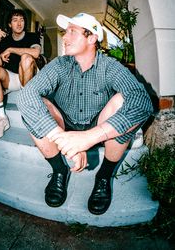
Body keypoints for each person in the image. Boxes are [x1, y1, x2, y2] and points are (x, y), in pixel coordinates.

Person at [16, 12, 153, 215]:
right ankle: (59, 171)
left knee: (123, 101)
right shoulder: (60, 65)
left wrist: (88, 138)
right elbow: (26, 96)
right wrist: (66, 141)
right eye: (65, 31)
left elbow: (143, 102)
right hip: (65, 123)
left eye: (72, 31)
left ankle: (104, 177)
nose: (65, 37)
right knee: (35, 104)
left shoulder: (110, 66)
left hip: (99, 127)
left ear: (92, 38)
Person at [0, 8, 41, 139]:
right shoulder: (5, 40)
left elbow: (36, 53)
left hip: (29, 77)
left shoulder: (32, 36)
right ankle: (1, 118)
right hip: (12, 79)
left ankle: (27, 103)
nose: (19, 23)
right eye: (15, 20)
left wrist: (11, 49)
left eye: (22, 20)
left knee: (26, 58)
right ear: (9, 24)